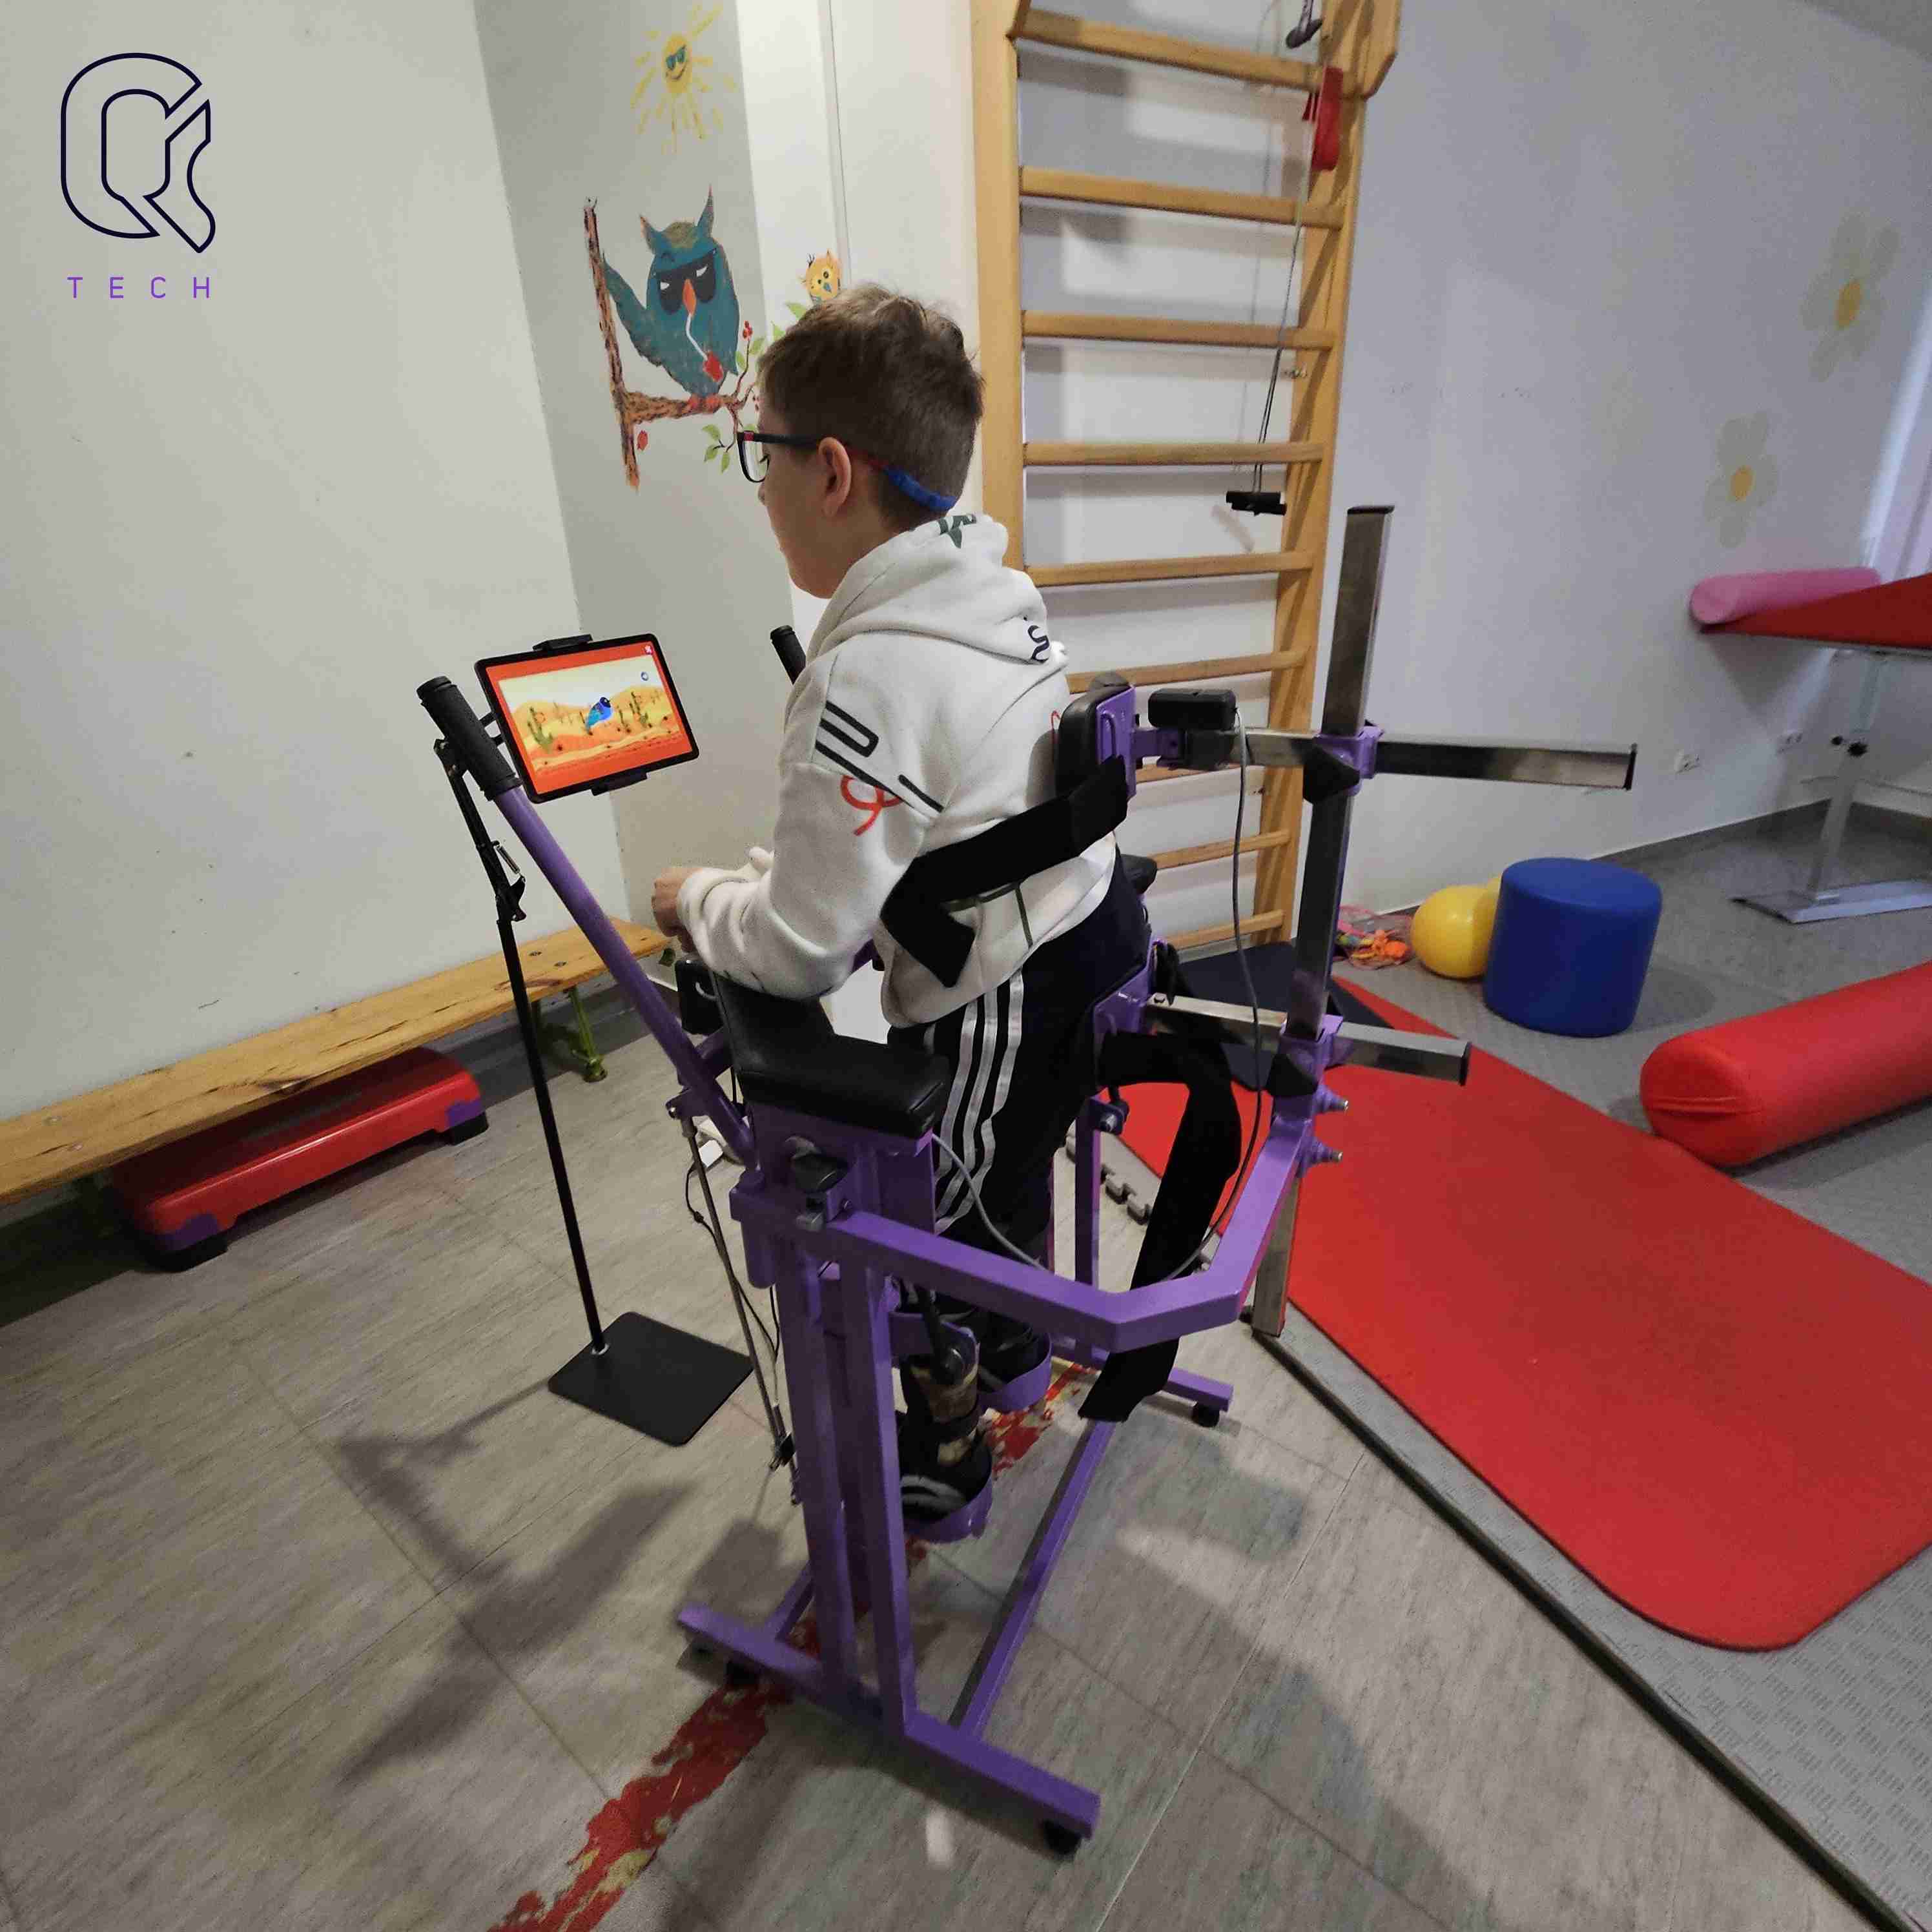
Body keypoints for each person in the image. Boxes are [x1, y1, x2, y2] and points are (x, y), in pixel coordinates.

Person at [651, 285, 1147, 1521]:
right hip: (1084, 933)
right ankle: (1018, 1348)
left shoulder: (867, 674)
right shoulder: (988, 591)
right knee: (1008, 1156)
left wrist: (695, 900)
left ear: (829, 472)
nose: (758, 488)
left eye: (759, 455)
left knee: (929, 1220)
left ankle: (948, 1447)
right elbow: (911, 835)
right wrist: (773, 882)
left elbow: (800, 950)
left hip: (1005, 988)